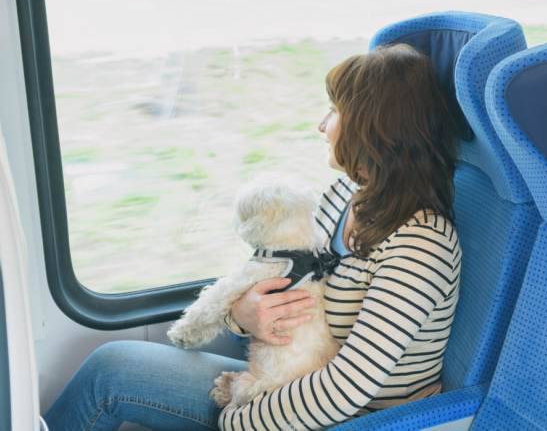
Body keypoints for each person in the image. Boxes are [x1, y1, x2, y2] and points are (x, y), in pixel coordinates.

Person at [44, 43, 462, 431]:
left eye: (335, 111)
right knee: (114, 364)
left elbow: (347, 388)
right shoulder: (348, 196)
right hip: (291, 379)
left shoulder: (420, 244)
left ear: (376, 129)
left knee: (112, 373)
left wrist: (236, 421)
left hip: (351, 418)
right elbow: (280, 277)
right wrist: (239, 316)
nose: (321, 125)